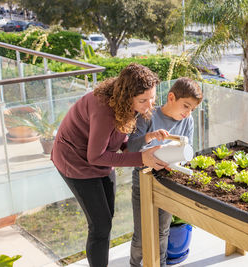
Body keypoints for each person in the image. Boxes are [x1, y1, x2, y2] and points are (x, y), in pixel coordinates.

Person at [51, 63, 168, 267]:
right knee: (100, 226)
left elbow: (119, 142)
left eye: (152, 98)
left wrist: (147, 138)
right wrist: (142, 159)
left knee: (106, 219)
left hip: (100, 157)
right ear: (127, 96)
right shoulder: (104, 110)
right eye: (143, 100)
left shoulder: (124, 103)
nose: (149, 105)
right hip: (75, 162)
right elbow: (95, 156)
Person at [127, 77, 203, 267]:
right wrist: (150, 136)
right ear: (171, 97)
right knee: (142, 234)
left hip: (169, 182)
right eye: (185, 106)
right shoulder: (148, 116)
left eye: (192, 109)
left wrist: (178, 161)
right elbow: (130, 148)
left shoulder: (188, 121)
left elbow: (189, 151)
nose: (187, 113)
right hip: (143, 180)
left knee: (162, 231)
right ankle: (135, 264)